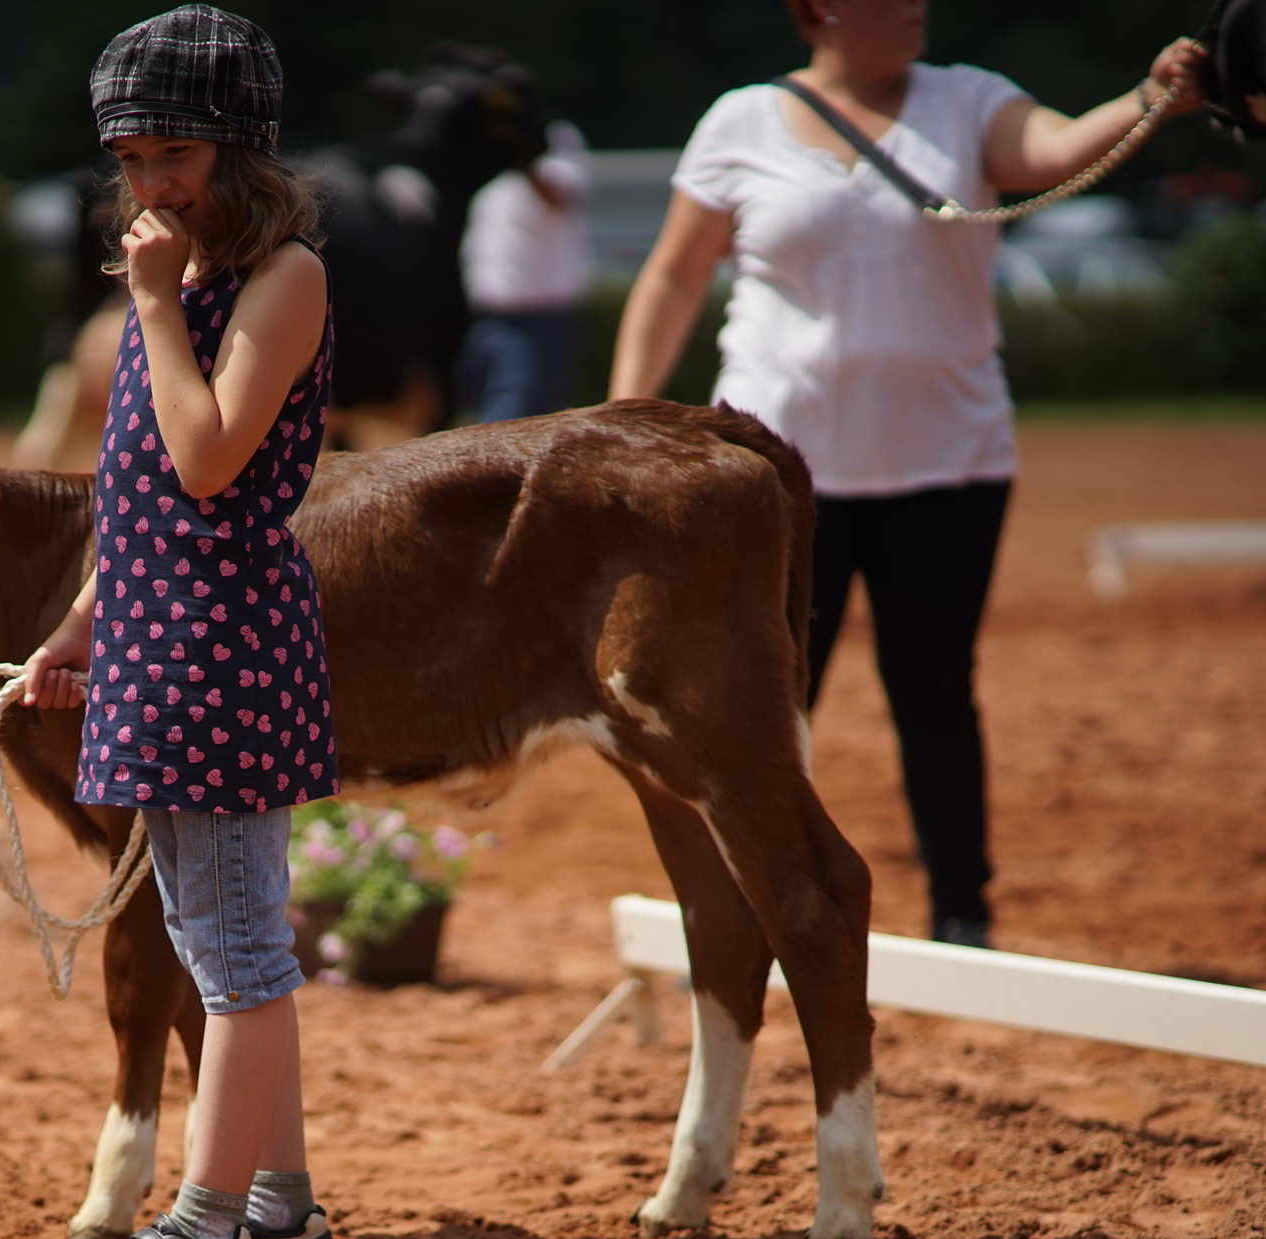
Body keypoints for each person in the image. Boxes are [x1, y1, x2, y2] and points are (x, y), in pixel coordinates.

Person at [608, 0, 1206, 948]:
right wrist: (626, 417)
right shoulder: (741, 120)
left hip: (949, 460)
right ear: (825, 11)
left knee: (934, 690)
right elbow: (677, 275)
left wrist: (1148, 96)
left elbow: (1054, 149)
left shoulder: (970, 102)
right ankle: (742, 913)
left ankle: (962, 917)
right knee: (764, 700)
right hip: (774, 475)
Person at [20, 4, 337, 1239]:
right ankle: (283, 1212)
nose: (151, 184)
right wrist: (76, 628)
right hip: (160, 640)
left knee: (234, 953)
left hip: (218, 650)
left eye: (175, 156)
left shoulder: (281, 280)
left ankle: (208, 1230)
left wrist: (151, 306)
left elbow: (211, 462)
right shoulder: (194, 284)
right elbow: (143, 492)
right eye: (133, 159)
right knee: (236, 939)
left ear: (241, 152)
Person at [458, 119, 594, 422]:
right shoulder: (497, 181)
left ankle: (500, 471)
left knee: (515, 414)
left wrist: (526, 154)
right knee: (481, 407)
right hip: (488, 316)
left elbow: (559, 196)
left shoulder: (555, 159)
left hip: (537, 317)